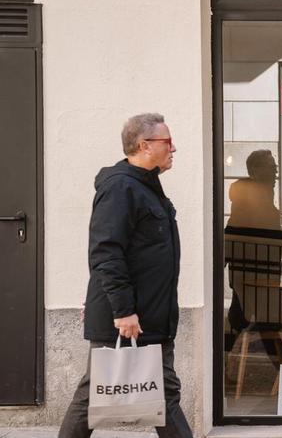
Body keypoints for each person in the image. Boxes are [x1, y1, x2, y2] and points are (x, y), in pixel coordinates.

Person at [59, 113, 191, 438]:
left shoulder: (146, 187)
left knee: (164, 396)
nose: (174, 148)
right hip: (130, 318)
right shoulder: (121, 187)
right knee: (93, 396)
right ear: (144, 145)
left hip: (150, 316)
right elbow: (106, 252)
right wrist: (123, 311)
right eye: (167, 142)